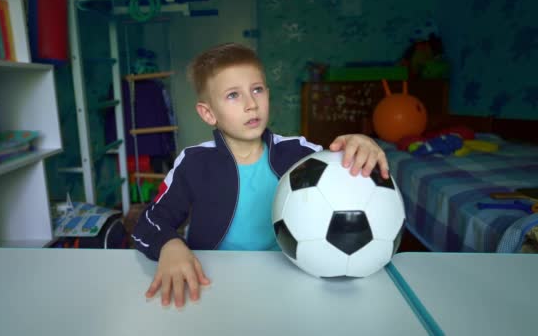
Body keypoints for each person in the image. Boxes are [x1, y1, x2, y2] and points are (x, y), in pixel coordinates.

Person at [132, 43, 389, 308]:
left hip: (289, 278)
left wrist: (359, 143)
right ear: (208, 113)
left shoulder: (299, 153)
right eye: (233, 95)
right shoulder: (194, 163)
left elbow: (343, 170)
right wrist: (170, 245)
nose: (251, 104)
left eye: (256, 90)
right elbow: (149, 222)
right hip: (213, 281)